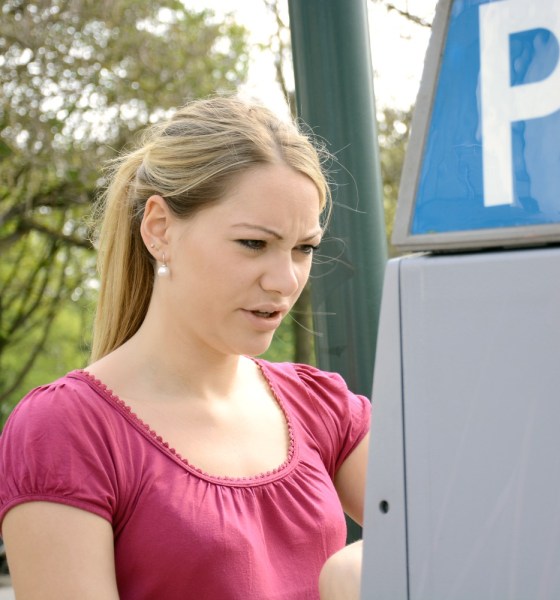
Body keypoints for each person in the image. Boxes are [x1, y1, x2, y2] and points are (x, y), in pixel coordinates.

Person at [0, 95, 370, 599]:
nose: (286, 280)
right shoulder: (67, 429)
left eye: (304, 248)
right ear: (159, 230)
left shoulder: (322, 405)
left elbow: (463, 536)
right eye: (253, 244)